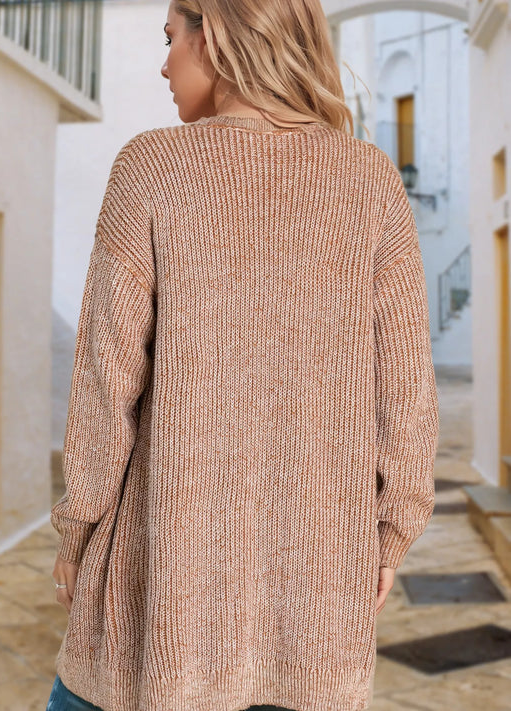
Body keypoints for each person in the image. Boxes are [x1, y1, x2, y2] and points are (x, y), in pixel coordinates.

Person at [46, 0, 440, 709]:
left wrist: (77, 527)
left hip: (160, 597)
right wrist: (390, 532)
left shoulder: (151, 167)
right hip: (318, 600)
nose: (163, 65)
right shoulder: (371, 180)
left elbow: (106, 381)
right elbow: (406, 393)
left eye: (170, 37)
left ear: (217, 31)